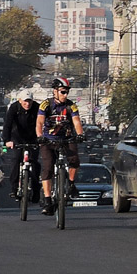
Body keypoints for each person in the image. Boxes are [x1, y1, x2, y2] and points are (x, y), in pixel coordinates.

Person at [36, 77, 84, 215]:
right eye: (63, 92)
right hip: (48, 140)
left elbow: (76, 122)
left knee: (74, 160)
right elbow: (39, 122)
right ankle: (47, 200)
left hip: (66, 138)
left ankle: (71, 184)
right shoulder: (46, 105)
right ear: (55, 91)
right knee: (48, 168)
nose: (65, 95)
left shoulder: (71, 105)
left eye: (67, 92)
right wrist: (40, 136)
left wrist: (80, 134)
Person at [2, 91, 40, 201]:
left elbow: (42, 123)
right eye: (25, 101)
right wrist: (7, 140)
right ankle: (14, 188)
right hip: (17, 138)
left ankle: (36, 190)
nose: (27, 104)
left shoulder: (37, 108)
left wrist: (42, 139)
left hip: (33, 138)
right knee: (16, 159)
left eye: (29, 101)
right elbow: (7, 125)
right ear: (20, 100)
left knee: (34, 162)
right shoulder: (14, 108)